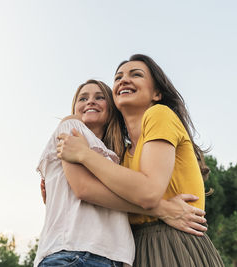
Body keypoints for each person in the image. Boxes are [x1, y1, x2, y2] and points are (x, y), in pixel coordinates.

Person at [57, 55, 224, 267]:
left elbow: (148, 193)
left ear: (157, 93)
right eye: (118, 77)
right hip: (134, 251)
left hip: (173, 244)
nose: (123, 80)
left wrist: (84, 154)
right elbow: (99, 199)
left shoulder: (159, 114)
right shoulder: (121, 155)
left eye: (136, 75)